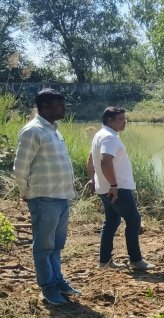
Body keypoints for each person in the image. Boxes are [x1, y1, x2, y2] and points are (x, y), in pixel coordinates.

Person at [13, 88, 78, 305]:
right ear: (45, 107)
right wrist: (26, 192)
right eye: (60, 105)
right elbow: (20, 167)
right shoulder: (33, 131)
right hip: (43, 198)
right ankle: (48, 287)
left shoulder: (54, 130)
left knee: (57, 244)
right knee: (44, 246)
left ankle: (57, 280)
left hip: (61, 197)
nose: (64, 108)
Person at [86, 107, 154, 272]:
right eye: (121, 119)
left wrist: (92, 178)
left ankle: (105, 261)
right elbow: (105, 161)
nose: (125, 122)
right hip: (117, 189)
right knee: (134, 220)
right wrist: (114, 185)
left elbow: (91, 158)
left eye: (125, 119)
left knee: (111, 222)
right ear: (110, 120)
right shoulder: (109, 137)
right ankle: (136, 260)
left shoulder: (100, 135)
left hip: (105, 188)